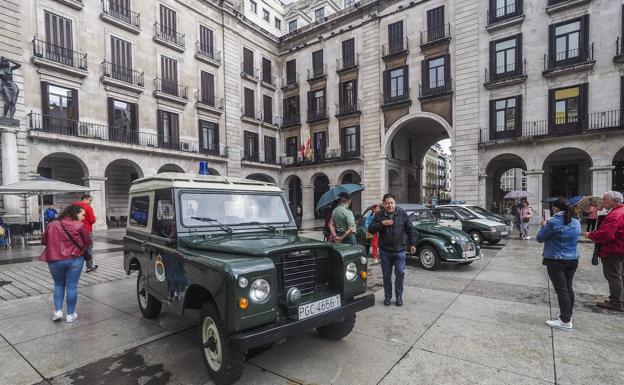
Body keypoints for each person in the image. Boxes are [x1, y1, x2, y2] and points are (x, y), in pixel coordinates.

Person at [39, 204, 91, 322]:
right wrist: (79, 248)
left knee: (58, 285)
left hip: (54, 259)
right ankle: (70, 315)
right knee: (71, 287)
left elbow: (43, 241)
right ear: (75, 213)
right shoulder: (79, 225)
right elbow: (87, 242)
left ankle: (58, 311)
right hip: (74, 259)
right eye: (82, 215)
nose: (83, 217)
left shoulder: (52, 224)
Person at [536, 199, 580, 331]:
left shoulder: (553, 222)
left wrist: (544, 225)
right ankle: (566, 315)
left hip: (556, 259)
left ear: (555, 209)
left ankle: (565, 321)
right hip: (572, 258)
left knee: (561, 289)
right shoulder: (576, 221)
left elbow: (540, 238)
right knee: (568, 287)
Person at [368, 193, 417, 307]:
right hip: (385, 251)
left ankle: (399, 296)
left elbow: (410, 228)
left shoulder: (402, 213)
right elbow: (371, 229)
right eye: (387, 203)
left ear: (395, 203)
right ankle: (388, 297)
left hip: (400, 250)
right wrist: (381, 224)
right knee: (386, 275)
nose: (390, 205)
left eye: (392, 203)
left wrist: (413, 243)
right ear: (383, 204)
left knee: (400, 273)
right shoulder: (379, 215)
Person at [586, 191, 624, 311]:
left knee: (613, 276)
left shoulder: (615, 214)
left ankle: (616, 302)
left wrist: (590, 235)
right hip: (619, 248)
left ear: (614, 201)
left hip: (613, 249)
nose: (603, 202)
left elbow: (606, 234)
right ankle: (618, 298)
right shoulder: (618, 211)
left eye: (605, 199)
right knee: (620, 275)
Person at [73, 194, 97, 273]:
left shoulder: (74, 205)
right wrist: (94, 218)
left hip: (75, 230)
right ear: (85, 199)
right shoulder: (88, 207)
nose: (90, 202)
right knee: (88, 248)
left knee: (77, 248)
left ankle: (75, 266)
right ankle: (89, 267)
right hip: (86, 231)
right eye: (90, 200)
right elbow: (92, 220)